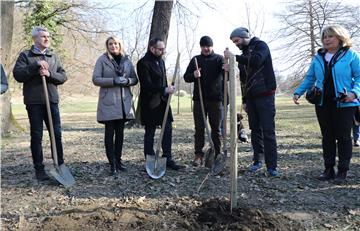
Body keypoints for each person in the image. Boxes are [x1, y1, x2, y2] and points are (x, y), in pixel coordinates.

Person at [293, 25, 360, 183]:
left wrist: (354, 93)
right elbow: (310, 78)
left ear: (340, 38)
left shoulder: (351, 55)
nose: (326, 40)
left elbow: (359, 77)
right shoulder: (318, 58)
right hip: (323, 103)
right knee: (327, 137)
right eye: (324, 37)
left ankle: (342, 171)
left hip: (345, 102)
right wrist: (298, 92)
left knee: (343, 137)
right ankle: (328, 170)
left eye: (330, 36)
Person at [13, 26, 67, 181]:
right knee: (37, 135)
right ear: (35, 39)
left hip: (51, 101)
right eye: (43, 36)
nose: (47, 39)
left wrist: (49, 74)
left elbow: (63, 76)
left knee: (56, 134)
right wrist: (35, 66)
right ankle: (39, 169)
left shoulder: (53, 56)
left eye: (48, 36)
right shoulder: (26, 55)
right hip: (34, 102)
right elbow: (18, 75)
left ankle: (60, 165)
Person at [225, 27, 279, 176]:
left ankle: (272, 166)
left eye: (237, 40)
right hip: (251, 98)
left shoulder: (261, 46)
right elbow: (244, 80)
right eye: (234, 42)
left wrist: (234, 57)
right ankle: (258, 161)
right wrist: (244, 100)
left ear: (244, 37)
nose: (236, 43)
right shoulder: (243, 55)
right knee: (255, 130)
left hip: (265, 95)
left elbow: (256, 61)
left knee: (268, 131)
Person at [92, 36, 138, 176]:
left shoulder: (127, 60)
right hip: (109, 102)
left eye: (116, 44)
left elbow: (135, 79)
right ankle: (111, 163)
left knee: (120, 134)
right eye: (110, 44)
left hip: (123, 103)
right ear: (107, 46)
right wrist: (113, 80)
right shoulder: (102, 60)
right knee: (109, 134)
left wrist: (127, 80)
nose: (113, 46)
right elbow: (95, 79)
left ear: (120, 45)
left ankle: (118, 161)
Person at [137, 37, 182, 170]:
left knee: (167, 130)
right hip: (150, 103)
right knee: (150, 133)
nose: (163, 51)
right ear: (152, 48)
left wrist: (168, 90)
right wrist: (163, 89)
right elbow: (146, 85)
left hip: (163, 103)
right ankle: (150, 160)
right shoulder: (143, 63)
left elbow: (162, 82)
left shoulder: (161, 62)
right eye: (160, 49)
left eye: (163, 49)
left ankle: (167, 158)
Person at [183, 36, 224, 166]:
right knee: (199, 128)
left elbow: (226, 77)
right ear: (200, 47)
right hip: (199, 100)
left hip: (216, 100)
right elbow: (186, 77)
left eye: (208, 46)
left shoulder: (219, 59)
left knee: (216, 129)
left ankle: (217, 154)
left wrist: (228, 69)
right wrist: (194, 75)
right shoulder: (196, 60)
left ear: (212, 46)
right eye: (203, 46)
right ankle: (198, 155)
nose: (206, 48)